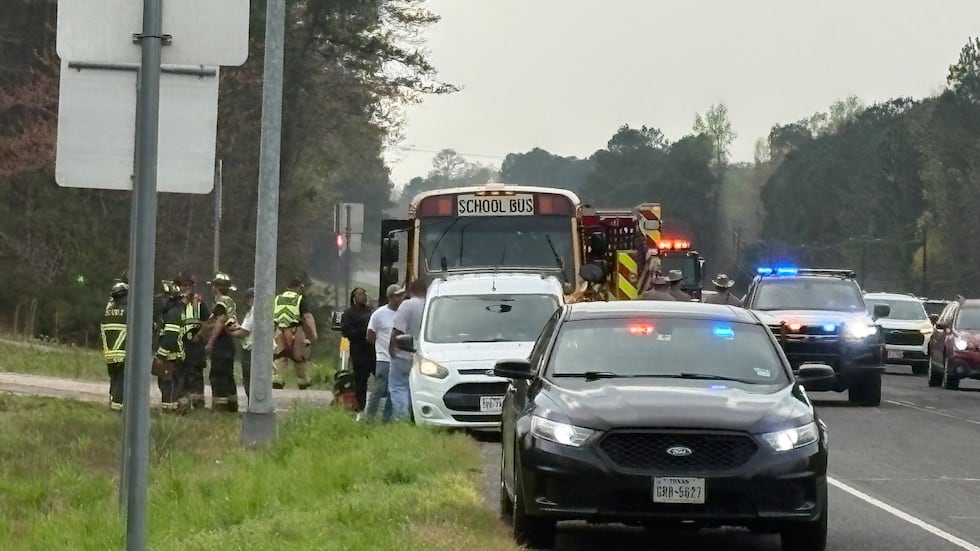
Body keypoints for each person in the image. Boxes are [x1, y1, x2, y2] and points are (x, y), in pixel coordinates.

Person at [364, 284, 404, 422]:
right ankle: (369, 416)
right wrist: (380, 346)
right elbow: (370, 335)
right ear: (390, 297)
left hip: (399, 359)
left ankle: (386, 418)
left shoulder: (403, 313)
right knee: (380, 387)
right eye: (398, 296)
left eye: (401, 295)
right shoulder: (379, 314)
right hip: (383, 358)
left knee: (394, 390)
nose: (401, 298)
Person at [389, 279, 428, 422]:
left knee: (398, 386)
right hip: (424, 357)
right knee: (416, 388)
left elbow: (397, 330)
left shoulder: (408, 305)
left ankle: (401, 417)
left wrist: (391, 347)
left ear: (411, 290)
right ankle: (415, 418)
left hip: (404, 354)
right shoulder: (432, 303)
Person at [174, 272, 210, 412]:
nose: (186, 288)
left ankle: (198, 405)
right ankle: (181, 404)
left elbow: (206, 321)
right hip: (179, 344)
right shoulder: (175, 302)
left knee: (195, 375)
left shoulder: (199, 302)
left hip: (195, 345)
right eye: (183, 285)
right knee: (179, 374)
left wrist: (199, 335)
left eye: (189, 285)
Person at [273, 277, 318, 390]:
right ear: (298, 287)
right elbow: (307, 317)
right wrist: (313, 333)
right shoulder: (299, 299)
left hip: (279, 330)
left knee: (280, 356)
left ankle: (278, 379)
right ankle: (303, 380)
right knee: (299, 356)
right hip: (295, 329)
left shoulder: (278, 298)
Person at [205, 272, 239, 412]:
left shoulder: (220, 303)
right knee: (228, 375)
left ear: (216, 287)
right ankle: (232, 406)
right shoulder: (229, 301)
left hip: (222, 343)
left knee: (218, 375)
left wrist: (210, 342)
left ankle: (220, 407)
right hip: (229, 343)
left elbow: (220, 322)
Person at [341, 287, 376, 412]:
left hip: (373, 351)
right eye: (361, 294)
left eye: (365, 293)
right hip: (358, 351)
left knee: (381, 377)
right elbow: (346, 332)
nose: (364, 296)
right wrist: (363, 331)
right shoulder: (349, 314)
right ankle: (360, 407)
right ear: (354, 297)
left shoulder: (371, 312)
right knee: (360, 381)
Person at [154, 281, 184, 413]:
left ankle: (169, 412)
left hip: (170, 358)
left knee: (167, 385)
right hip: (173, 357)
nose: (161, 300)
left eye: (163, 297)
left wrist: (160, 356)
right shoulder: (173, 312)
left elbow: (170, 338)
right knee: (170, 385)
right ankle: (174, 409)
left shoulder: (172, 314)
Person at [100, 281, 128, 411]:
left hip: (109, 354)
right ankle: (118, 409)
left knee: (115, 380)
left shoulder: (107, 312)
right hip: (123, 354)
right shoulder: (128, 312)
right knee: (121, 382)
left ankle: (112, 402)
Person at [228, 287, 255, 404]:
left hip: (251, 350)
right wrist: (237, 327)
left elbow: (244, 332)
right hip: (253, 349)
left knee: (249, 379)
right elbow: (244, 328)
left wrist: (230, 332)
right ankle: (253, 403)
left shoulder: (254, 312)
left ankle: (253, 404)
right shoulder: (254, 312)